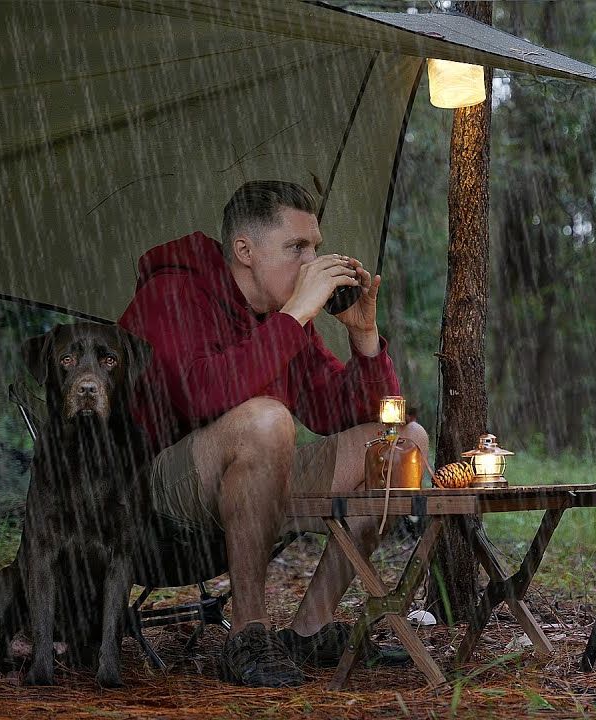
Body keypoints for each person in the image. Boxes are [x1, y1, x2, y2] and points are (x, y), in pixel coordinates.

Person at [118, 180, 428, 687]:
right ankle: (249, 633)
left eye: (316, 247)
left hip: (254, 484)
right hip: (154, 498)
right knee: (266, 417)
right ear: (245, 250)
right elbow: (200, 395)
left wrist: (364, 338)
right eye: (297, 247)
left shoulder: (286, 317)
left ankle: (311, 627)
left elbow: (336, 412)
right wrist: (293, 317)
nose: (313, 262)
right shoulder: (173, 291)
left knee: (402, 442)